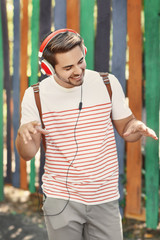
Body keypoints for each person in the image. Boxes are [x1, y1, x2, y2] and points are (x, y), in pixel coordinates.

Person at [16, 29, 158, 240]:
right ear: (48, 68)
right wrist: (23, 135)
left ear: (84, 51)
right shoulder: (35, 95)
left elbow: (127, 129)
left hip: (105, 196)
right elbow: (27, 153)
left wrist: (135, 127)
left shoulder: (107, 83)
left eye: (80, 61)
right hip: (61, 198)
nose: (77, 71)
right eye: (67, 67)